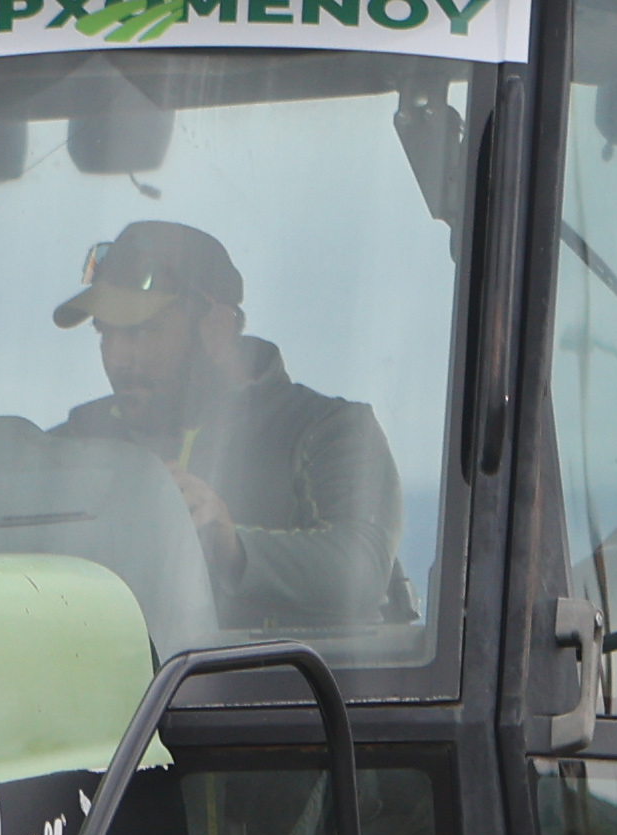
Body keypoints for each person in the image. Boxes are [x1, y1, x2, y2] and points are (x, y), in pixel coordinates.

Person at [49, 219, 405, 633]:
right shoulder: (73, 442)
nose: (119, 358)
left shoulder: (327, 432)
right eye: (105, 335)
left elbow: (360, 570)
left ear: (217, 327)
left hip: (277, 695)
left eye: (143, 332)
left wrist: (233, 547)